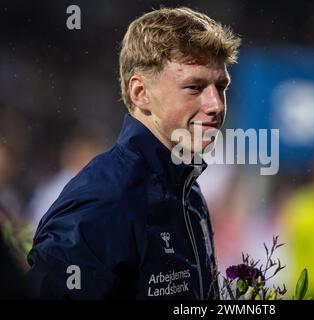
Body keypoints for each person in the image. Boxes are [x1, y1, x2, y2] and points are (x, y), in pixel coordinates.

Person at [26, 7, 241, 299]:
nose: (216, 104)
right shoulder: (105, 199)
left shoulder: (187, 192)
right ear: (140, 93)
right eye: (194, 87)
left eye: (221, 86)